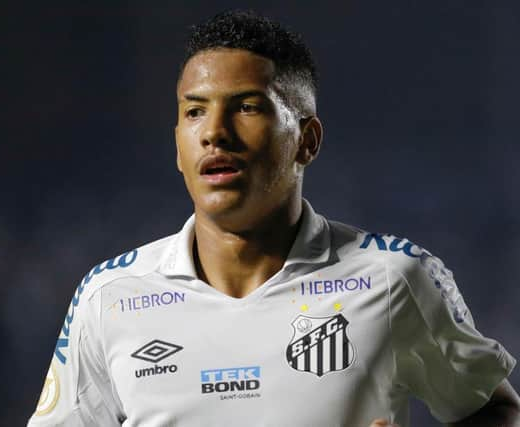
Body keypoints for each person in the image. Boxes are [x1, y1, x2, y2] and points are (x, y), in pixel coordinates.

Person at [27, 10, 519, 427]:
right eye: (194, 112)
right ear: (177, 145)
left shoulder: (394, 278)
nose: (214, 133)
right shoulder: (109, 297)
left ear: (307, 140)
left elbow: (496, 409)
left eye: (246, 107)